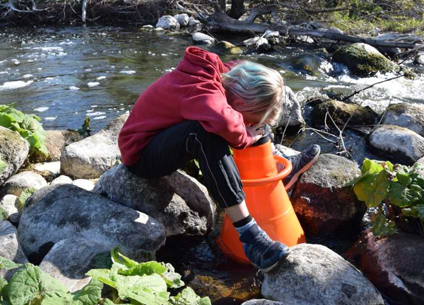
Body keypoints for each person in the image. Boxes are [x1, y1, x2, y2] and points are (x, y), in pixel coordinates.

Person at [118, 46, 320, 271]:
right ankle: (250, 237)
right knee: (207, 133)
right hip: (142, 154)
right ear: (241, 104)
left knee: (254, 126)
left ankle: (272, 172)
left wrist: (254, 127)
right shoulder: (204, 93)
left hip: (165, 139)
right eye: (247, 112)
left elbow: (243, 71)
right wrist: (245, 135)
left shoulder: (227, 77)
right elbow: (225, 123)